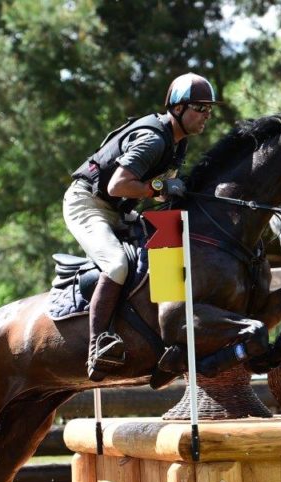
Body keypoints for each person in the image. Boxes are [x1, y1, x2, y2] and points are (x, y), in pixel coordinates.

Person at [65, 73, 221, 380]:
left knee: (168, 240)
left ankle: (169, 337)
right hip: (89, 204)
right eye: (200, 108)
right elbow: (118, 185)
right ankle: (97, 345)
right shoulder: (154, 139)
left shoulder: (178, 143)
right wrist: (162, 185)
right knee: (117, 264)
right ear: (178, 108)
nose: (206, 116)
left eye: (209, 110)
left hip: (119, 210)